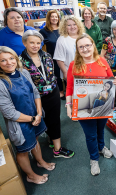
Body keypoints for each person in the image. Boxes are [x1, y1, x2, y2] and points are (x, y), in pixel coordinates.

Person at [0, 46, 55, 184]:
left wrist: (38, 113)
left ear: (16, 58)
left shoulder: (23, 72)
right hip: (20, 123)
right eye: (3, 60)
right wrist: (32, 118)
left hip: (34, 116)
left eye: (11, 58)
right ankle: (30, 175)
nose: (9, 62)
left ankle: (40, 161)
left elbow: (35, 92)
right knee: (23, 150)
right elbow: (9, 112)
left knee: (35, 139)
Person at [65, 34, 116, 175]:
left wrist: (115, 81)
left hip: (103, 105)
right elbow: (69, 88)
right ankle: (94, 159)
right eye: (81, 47)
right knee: (90, 135)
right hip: (83, 107)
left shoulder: (102, 61)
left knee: (100, 130)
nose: (85, 49)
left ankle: (102, 148)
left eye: (87, 45)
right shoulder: (73, 65)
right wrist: (68, 106)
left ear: (93, 45)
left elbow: (111, 79)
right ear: (77, 49)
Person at [20, 30, 75, 158]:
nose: (35, 45)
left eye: (38, 43)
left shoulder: (47, 55)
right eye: (32, 42)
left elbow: (52, 73)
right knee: (41, 120)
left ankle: (57, 149)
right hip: (36, 97)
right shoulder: (20, 61)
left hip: (53, 92)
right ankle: (41, 144)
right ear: (25, 43)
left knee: (55, 119)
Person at [39, 10, 66, 100]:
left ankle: (69, 90)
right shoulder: (43, 31)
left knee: (67, 73)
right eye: (52, 16)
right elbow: (40, 46)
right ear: (49, 18)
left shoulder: (63, 29)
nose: (54, 18)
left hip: (66, 55)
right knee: (57, 75)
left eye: (56, 17)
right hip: (53, 57)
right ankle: (61, 91)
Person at [54, 16, 85, 89]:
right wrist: (65, 73)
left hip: (86, 71)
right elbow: (59, 59)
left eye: (74, 24)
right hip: (71, 73)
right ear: (65, 27)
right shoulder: (62, 40)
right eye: (69, 25)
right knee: (74, 95)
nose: (72, 27)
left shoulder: (84, 36)